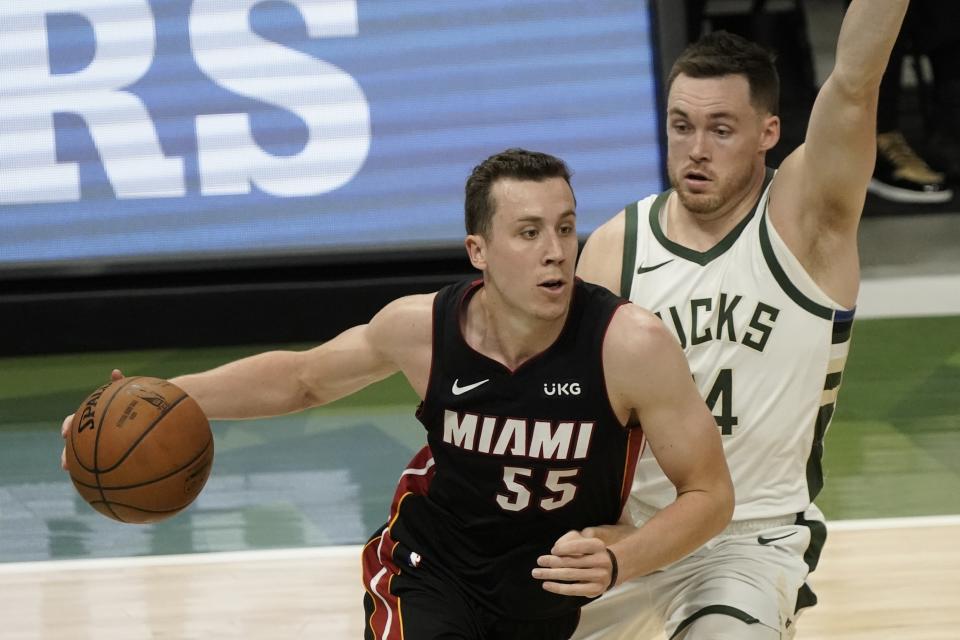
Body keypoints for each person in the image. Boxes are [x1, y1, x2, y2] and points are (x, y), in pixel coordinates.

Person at [60, 149, 734, 640]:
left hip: (550, 589)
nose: (557, 251)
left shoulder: (628, 345)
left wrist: (622, 558)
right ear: (479, 250)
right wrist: (160, 397)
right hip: (430, 566)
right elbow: (301, 378)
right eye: (529, 233)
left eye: (564, 227)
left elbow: (709, 493)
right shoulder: (422, 330)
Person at [565, 2, 911, 639]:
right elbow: (574, 416)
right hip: (633, 541)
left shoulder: (807, 219)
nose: (696, 150)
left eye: (721, 129)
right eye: (681, 126)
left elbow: (855, 82)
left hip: (748, 544)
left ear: (769, 132)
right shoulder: (617, 247)